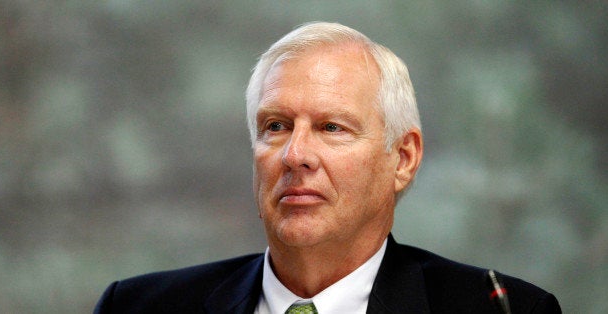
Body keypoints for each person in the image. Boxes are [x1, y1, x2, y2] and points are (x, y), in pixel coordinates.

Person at [94, 22, 561, 313]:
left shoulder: (502, 309)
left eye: (332, 128)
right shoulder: (134, 307)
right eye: (275, 126)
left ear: (403, 159)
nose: (295, 155)